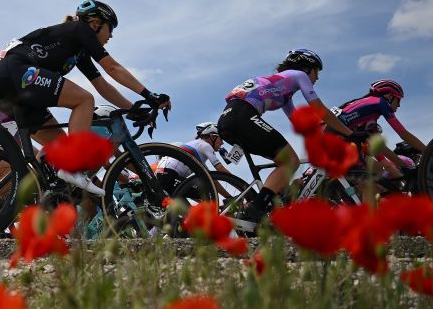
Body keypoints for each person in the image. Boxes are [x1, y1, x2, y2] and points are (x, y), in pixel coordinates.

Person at [0, 0, 169, 193]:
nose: (111, 35)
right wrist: (149, 95)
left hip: (5, 87)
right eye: (110, 28)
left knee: (58, 148)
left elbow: (102, 85)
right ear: (96, 24)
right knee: (84, 100)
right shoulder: (80, 29)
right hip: (16, 73)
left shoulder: (78, 49)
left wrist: (133, 109)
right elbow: (112, 67)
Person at [217, 49, 362, 230]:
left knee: (283, 164)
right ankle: (255, 210)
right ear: (307, 67)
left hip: (229, 119)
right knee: (291, 161)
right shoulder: (299, 75)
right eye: (317, 71)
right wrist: (349, 133)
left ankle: (267, 208)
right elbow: (318, 108)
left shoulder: (283, 91)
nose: (317, 77)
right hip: (242, 115)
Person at [333, 79, 426, 174]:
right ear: (389, 96)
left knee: (377, 170)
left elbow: (382, 149)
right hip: (338, 138)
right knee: (368, 181)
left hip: (332, 134)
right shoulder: (381, 102)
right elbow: (403, 134)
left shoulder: (369, 116)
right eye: (398, 99)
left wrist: (404, 166)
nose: (399, 105)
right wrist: (428, 152)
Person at [154, 122, 232, 194]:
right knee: (206, 192)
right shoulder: (205, 145)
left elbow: (212, 180)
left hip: (163, 175)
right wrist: (241, 187)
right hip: (169, 175)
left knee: (186, 204)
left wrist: (228, 197)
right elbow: (221, 170)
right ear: (213, 137)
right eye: (221, 138)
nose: (222, 143)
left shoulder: (197, 149)